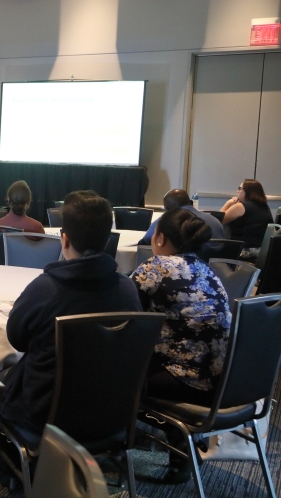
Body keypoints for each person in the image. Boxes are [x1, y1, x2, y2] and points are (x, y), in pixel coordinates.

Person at [0, 191, 141, 439]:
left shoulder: (46, 288)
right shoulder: (127, 289)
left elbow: (17, 339)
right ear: (107, 239)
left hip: (45, 414)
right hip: (112, 413)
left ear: (64, 240)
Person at [131, 207, 231, 483]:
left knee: (112, 373)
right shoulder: (207, 270)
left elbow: (124, 317)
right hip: (226, 380)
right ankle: (180, 440)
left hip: (190, 381)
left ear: (160, 238)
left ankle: (167, 437)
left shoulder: (154, 268)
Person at [137, 188, 224, 245]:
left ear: (168, 210)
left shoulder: (166, 221)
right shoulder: (215, 221)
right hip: (216, 267)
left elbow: (145, 242)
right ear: (191, 203)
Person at [220, 179, 273, 258]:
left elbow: (219, 220)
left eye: (240, 188)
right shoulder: (265, 206)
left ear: (248, 191)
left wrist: (228, 203)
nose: (237, 191)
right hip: (262, 252)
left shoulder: (241, 206)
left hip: (243, 251)